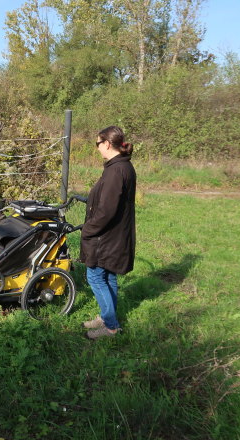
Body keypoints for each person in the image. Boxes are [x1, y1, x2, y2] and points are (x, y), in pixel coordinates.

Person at [79, 126, 136, 340]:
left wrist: (88, 229)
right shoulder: (121, 166)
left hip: (107, 236)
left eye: (98, 144)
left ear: (107, 144)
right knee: (108, 274)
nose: (97, 148)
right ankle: (106, 317)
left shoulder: (116, 170)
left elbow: (106, 210)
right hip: (115, 234)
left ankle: (111, 327)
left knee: (94, 276)